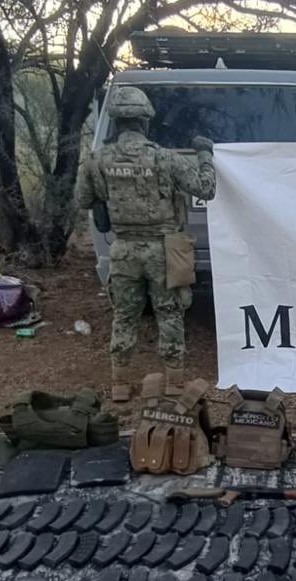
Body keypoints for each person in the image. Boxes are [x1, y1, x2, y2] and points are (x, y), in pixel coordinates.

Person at [75, 86, 216, 402]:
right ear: (144, 121)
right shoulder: (164, 157)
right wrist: (205, 154)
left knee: (125, 315)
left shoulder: (96, 160)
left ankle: (120, 383)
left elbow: (83, 199)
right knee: (170, 312)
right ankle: (174, 383)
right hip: (164, 250)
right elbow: (205, 189)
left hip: (123, 249)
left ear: (116, 122)